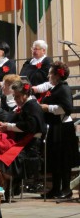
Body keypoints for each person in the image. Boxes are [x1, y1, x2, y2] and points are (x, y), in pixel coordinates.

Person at [0, 80, 46, 197]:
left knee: (1, 157)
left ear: (25, 94)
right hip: (19, 141)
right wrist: (4, 125)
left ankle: (7, 186)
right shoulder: (23, 106)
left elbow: (31, 126)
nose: (15, 99)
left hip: (30, 145)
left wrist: (8, 126)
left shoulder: (33, 106)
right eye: (13, 96)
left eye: (17, 96)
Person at [40, 61, 80, 199]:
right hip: (55, 127)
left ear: (57, 75)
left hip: (63, 128)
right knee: (55, 159)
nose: (48, 75)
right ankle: (56, 188)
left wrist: (47, 108)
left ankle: (66, 189)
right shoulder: (55, 88)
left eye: (51, 73)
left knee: (64, 160)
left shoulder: (63, 88)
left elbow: (67, 108)